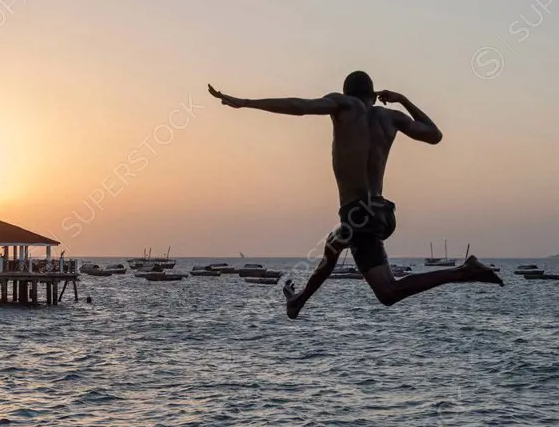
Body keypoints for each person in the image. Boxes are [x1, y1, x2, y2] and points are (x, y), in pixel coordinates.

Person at [208, 71, 502, 319]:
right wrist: (403, 99)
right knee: (334, 246)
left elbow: (300, 106)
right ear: (374, 96)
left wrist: (245, 102)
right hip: (382, 214)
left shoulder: (342, 105)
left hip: (357, 214)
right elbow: (434, 135)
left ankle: (463, 271)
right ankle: (297, 302)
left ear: (347, 93)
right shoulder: (391, 117)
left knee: (388, 292)